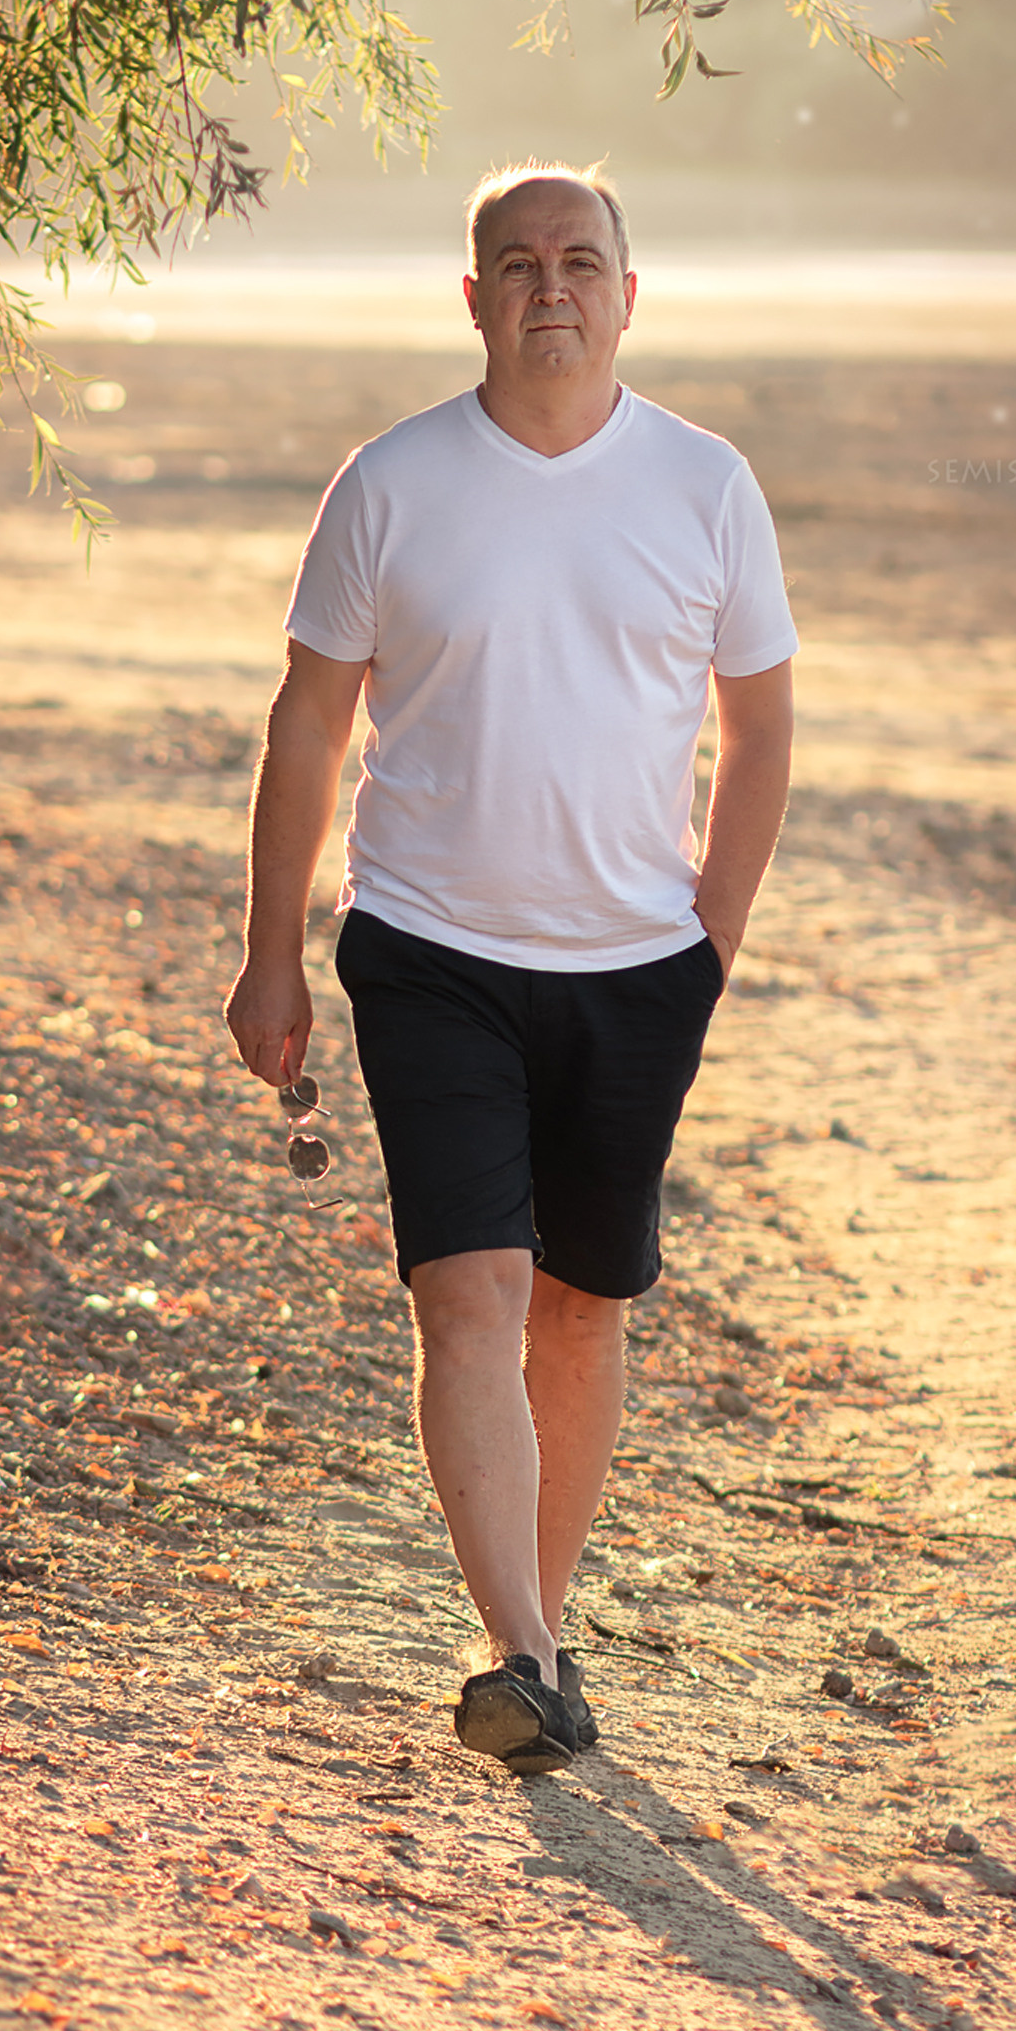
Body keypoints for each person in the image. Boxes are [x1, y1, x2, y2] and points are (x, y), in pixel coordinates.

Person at [224, 163, 796, 1775]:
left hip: (637, 967)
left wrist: (710, 942)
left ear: (630, 294)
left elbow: (760, 730)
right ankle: (524, 1651)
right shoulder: (393, 483)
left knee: (580, 1310)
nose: (553, 285)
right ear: (472, 297)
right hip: (429, 952)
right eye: (519, 262)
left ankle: (536, 1632)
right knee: (467, 1293)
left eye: (581, 260)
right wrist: (270, 948)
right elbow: (309, 721)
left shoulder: (705, 485)